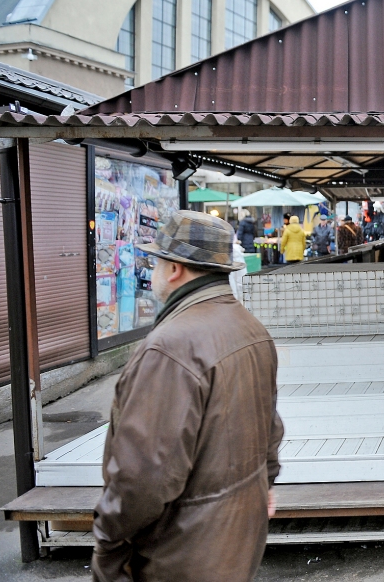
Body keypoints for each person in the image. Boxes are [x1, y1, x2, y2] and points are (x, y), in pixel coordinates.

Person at [91, 210, 282, 582]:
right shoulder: (250, 327)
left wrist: (107, 543)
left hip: (180, 554)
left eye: (157, 261)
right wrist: (266, 485)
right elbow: (270, 430)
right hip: (237, 537)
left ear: (175, 269)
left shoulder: (170, 346)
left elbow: (142, 477)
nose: (155, 272)